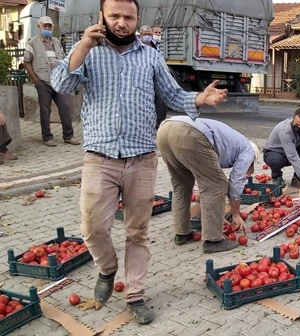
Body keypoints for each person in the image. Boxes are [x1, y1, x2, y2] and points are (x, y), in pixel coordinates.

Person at [50, 0, 227, 325]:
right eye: (114, 15)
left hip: (143, 160)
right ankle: (107, 268)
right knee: (93, 228)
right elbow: (61, 84)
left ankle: (135, 295)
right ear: (102, 16)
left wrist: (201, 98)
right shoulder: (88, 51)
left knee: (138, 232)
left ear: (136, 19)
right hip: (99, 159)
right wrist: (85, 44)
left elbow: (174, 96)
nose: (121, 22)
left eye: (127, 17)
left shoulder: (150, 56)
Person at [157, 116, 259, 253]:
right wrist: (235, 214)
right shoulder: (247, 150)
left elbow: (202, 172)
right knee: (217, 184)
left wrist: (217, 215)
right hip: (189, 133)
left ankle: (182, 233)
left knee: (181, 185)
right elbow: (235, 181)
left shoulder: (233, 141)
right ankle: (213, 240)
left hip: (165, 129)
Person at [24, 16, 79, 147]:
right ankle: (47, 137)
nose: (47, 29)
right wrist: (36, 81)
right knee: (45, 109)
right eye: (45, 26)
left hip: (59, 81)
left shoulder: (56, 42)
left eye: (49, 26)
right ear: (39, 26)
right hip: (43, 82)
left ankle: (68, 136)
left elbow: (65, 60)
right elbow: (26, 62)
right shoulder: (33, 42)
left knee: (65, 107)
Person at [139, 25, 168, 129]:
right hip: (144, 79)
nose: (147, 36)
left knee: (160, 101)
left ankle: (158, 123)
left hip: (155, 78)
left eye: (149, 34)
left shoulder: (155, 46)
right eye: (145, 34)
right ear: (140, 35)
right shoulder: (137, 47)